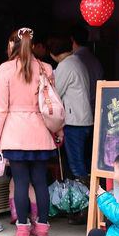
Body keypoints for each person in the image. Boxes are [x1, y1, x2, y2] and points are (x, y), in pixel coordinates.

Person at [0, 27, 59, 236]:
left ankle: (22, 229)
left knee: (20, 183)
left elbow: (1, 108)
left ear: (14, 45)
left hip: (14, 134)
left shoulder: (6, 69)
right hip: (41, 133)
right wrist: (58, 130)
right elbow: (53, 104)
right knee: (40, 182)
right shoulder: (46, 68)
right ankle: (43, 228)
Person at [47, 35, 93, 180]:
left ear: (53, 54)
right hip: (84, 118)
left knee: (76, 164)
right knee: (84, 161)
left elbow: (56, 93)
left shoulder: (65, 65)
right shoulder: (77, 61)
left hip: (74, 121)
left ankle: (84, 197)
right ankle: (89, 193)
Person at [71, 24, 104, 109]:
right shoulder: (95, 60)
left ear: (72, 40)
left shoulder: (72, 62)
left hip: (79, 109)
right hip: (95, 106)